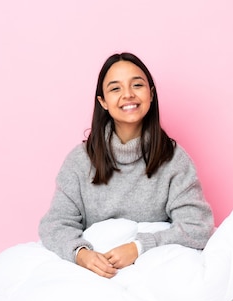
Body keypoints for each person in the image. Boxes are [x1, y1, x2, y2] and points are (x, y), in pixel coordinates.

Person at [39, 52, 214, 278]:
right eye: (115, 89)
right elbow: (55, 224)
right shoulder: (80, 161)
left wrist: (139, 248)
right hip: (98, 271)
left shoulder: (174, 159)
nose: (128, 95)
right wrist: (82, 254)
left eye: (137, 85)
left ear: (150, 94)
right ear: (102, 102)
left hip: (155, 271)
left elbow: (197, 228)